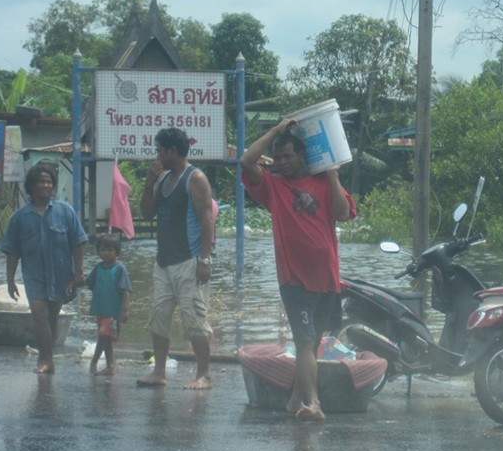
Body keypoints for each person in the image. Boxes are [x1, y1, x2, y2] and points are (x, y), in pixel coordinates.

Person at [240, 118, 356, 421]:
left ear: (302, 156)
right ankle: (313, 402)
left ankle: (294, 400)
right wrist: (277, 131)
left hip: (327, 280)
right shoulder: (272, 186)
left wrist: (332, 176)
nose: (280, 163)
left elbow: (343, 213)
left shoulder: (321, 183)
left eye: (287, 156)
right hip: (295, 280)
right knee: (305, 342)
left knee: (313, 342)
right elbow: (247, 160)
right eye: (277, 158)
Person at [136, 127, 215, 390]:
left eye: (159, 150)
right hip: (164, 261)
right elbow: (146, 213)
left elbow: (207, 221)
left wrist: (205, 260)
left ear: (172, 150)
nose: (156, 155)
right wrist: (149, 182)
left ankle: (203, 374)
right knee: (159, 317)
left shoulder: (196, 178)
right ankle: (159, 372)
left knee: (195, 320)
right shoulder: (163, 178)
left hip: (189, 261)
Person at [0, 161, 88, 374]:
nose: (46, 186)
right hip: (34, 276)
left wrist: (78, 272)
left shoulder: (65, 211)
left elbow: (77, 243)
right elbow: (12, 252)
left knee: (52, 317)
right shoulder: (20, 218)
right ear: (32, 186)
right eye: (42, 182)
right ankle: (47, 360)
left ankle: (44, 355)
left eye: (49, 182)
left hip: (60, 275)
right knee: (39, 314)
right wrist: (10, 280)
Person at [85, 233, 131, 376]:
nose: (106, 253)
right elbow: (89, 283)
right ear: (98, 251)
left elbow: (126, 290)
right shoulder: (98, 268)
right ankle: (111, 365)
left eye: (110, 250)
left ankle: (94, 362)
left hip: (112, 311)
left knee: (103, 336)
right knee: (107, 339)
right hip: (100, 309)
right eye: (103, 250)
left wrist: (124, 310)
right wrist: (73, 282)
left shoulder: (119, 269)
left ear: (117, 252)